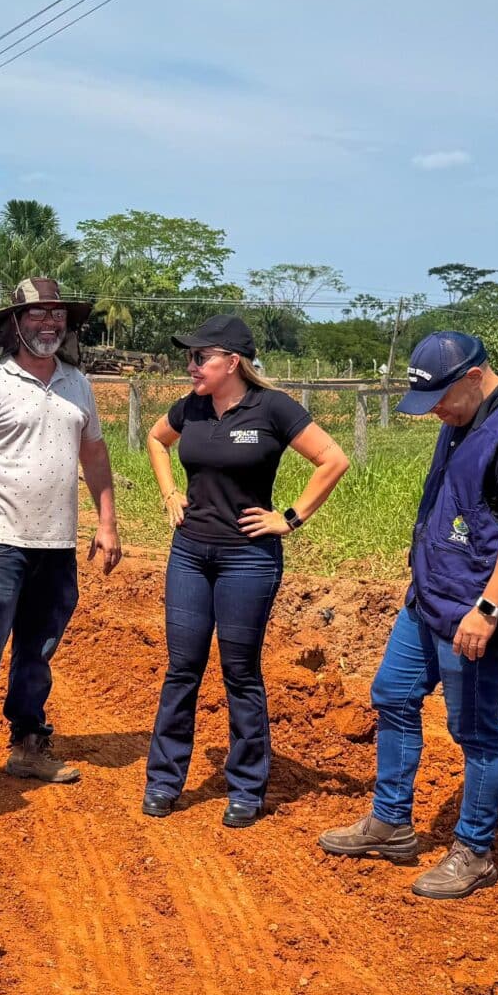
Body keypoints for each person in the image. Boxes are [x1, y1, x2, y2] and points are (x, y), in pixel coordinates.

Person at [318, 331, 498, 892]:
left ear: (475, 378)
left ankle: (474, 850)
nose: (436, 415)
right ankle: (391, 822)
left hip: (474, 612)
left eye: (442, 401)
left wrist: (488, 608)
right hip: (428, 598)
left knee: (474, 731)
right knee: (393, 694)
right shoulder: (461, 418)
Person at [140, 314, 350, 827]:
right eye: (189, 357)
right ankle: (165, 780)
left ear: (232, 362)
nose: (190, 366)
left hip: (247, 559)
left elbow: (333, 460)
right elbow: (154, 439)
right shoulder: (189, 407)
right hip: (189, 553)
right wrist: (169, 491)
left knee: (240, 672)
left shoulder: (271, 407)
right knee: (182, 669)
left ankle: (247, 788)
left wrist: (291, 518)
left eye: (199, 357)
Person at [0, 278, 122, 796]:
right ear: (14, 324)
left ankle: (27, 745)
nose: (50, 324)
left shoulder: (76, 383)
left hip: (57, 541)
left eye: (58, 316)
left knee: (38, 649)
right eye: (38, 315)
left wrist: (106, 522)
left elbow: (95, 456)